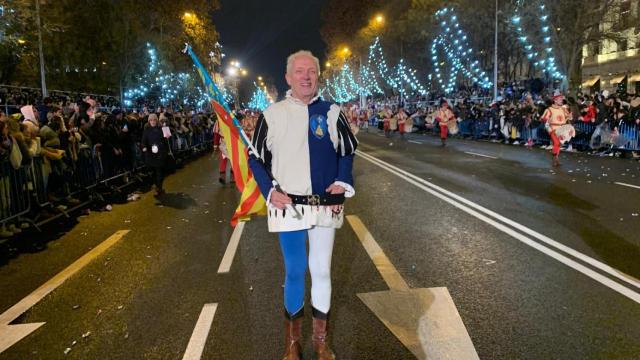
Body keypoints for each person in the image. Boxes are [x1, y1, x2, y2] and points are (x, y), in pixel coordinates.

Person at [248, 50, 357, 360]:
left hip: (325, 204)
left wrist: (343, 179)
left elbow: (347, 152)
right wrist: (269, 191)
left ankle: (320, 341)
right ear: (288, 77)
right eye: (299, 71)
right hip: (289, 207)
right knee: (295, 270)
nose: (306, 76)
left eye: (311, 71)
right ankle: (292, 343)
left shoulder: (333, 111)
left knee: (321, 270)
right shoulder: (271, 115)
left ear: (317, 76)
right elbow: (255, 159)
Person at [141, 113, 169, 196]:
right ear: (149, 121)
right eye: (151, 120)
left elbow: (166, 140)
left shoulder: (162, 128)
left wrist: (167, 133)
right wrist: (144, 147)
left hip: (160, 153)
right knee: (153, 172)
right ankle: (157, 186)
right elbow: (143, 141)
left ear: (156, 121)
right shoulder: (146, 130)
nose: (152, 121)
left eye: (154, 120)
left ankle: (159, 188)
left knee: (160, 171)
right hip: (150, 154)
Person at [541, 92, 571, 166]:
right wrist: (546, 121)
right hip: (553, 128)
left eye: (561, 99)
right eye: (560, 99)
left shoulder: (563, 109)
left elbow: (569, 117)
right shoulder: (549, 109)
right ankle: (555, 158)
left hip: (562, 129)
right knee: (557, 143)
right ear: (555, 100)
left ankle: (556, 158)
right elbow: (543, 118)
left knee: (559, 144)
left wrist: (569, 115)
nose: (561, 101)